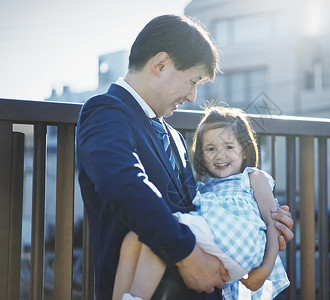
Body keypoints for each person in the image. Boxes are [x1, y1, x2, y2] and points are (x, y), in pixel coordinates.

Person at [76, 14, 294, 300]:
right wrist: (187, 253)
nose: (192, 96)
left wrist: (261, 218)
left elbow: (198, 210)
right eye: (192, 81)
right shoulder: (105, 110)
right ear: (161, 64)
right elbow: (124, 184)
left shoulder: (174, 137)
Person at [114, 106, 290, 300]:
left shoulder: (253, 177)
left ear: (245, 151)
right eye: (211, 149)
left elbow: (274, 221)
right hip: (222, 248)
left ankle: (137, 297)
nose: (220, 155)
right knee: (134, 238)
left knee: (162, 233)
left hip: (238, 243)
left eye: (229, 147)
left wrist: (266, 267)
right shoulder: (206, 189)